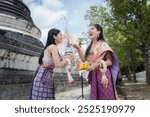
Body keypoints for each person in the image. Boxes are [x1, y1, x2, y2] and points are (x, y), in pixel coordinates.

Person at [73, 24, 119, 100]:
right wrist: (78, 48)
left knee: (105, 97)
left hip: (103, 74)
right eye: (89, 29)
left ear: (99, 32)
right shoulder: (90, 46)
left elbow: (110, 62)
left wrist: (97, 65)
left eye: (92, 29)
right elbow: (84, 60)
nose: (89, 31)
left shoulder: (103, 44)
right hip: (93, 75)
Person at [30, 28, 69, 100]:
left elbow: (61, 60)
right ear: (54, 37)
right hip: (44, 76)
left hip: (42, 75)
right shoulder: (53, 47)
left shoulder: (53, 48)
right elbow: (58, 65)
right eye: (60, 35)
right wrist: (67, 60)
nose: (62, 37)